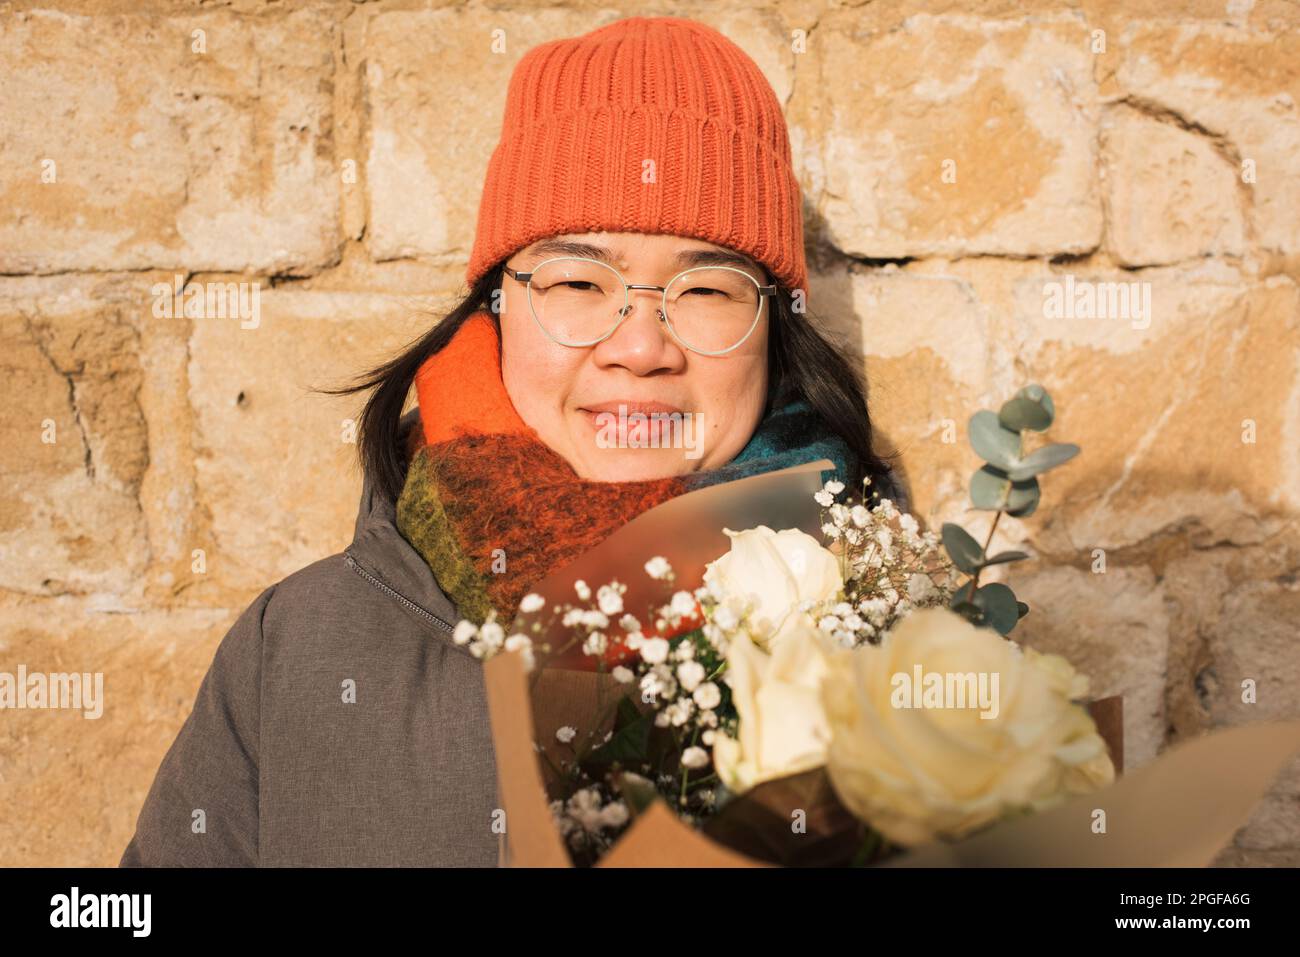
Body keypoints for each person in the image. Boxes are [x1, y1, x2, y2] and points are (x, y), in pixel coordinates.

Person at [119, 14, 907, 867]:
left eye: (707, 289)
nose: (641, 347)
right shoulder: (297, 653)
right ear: (499, 306)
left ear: (773, 329)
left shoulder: (912, 649)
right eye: (577, 280)